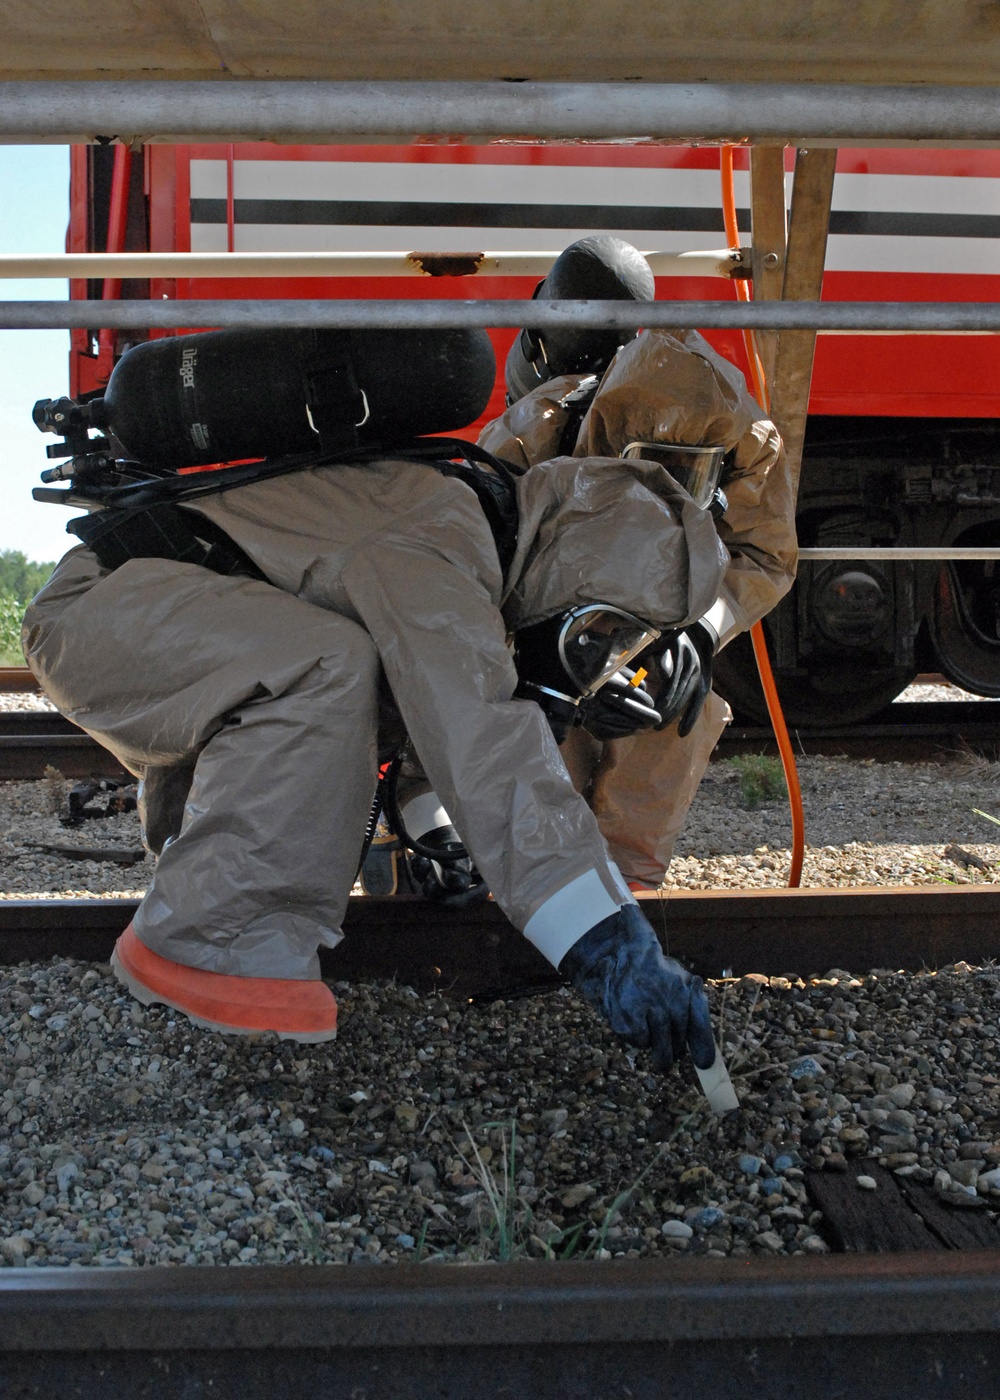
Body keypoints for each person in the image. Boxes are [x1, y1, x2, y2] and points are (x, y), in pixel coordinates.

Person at [22, 324, 723, 1078]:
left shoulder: (468, 525)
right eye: (600, 628)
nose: (590, 655)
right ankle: (202, 947)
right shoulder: (441, 538)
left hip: (133, 604)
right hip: (101, 613)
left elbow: (423, 719)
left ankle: (215, 920)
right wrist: (609, 946)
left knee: (334, 664)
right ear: (574, 568)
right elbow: (482, 741)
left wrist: (436, 833)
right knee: (327, 665)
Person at [479, 239, 797, 890]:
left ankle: (590, 915)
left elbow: (762, 551)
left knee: (665, 714)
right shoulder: (536, 433)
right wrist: (570, 654)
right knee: (576, 766)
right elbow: (763, 552)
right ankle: (596, 912)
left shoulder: (526, 435)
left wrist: (691, 636)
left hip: (617, 636)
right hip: (552, 637)